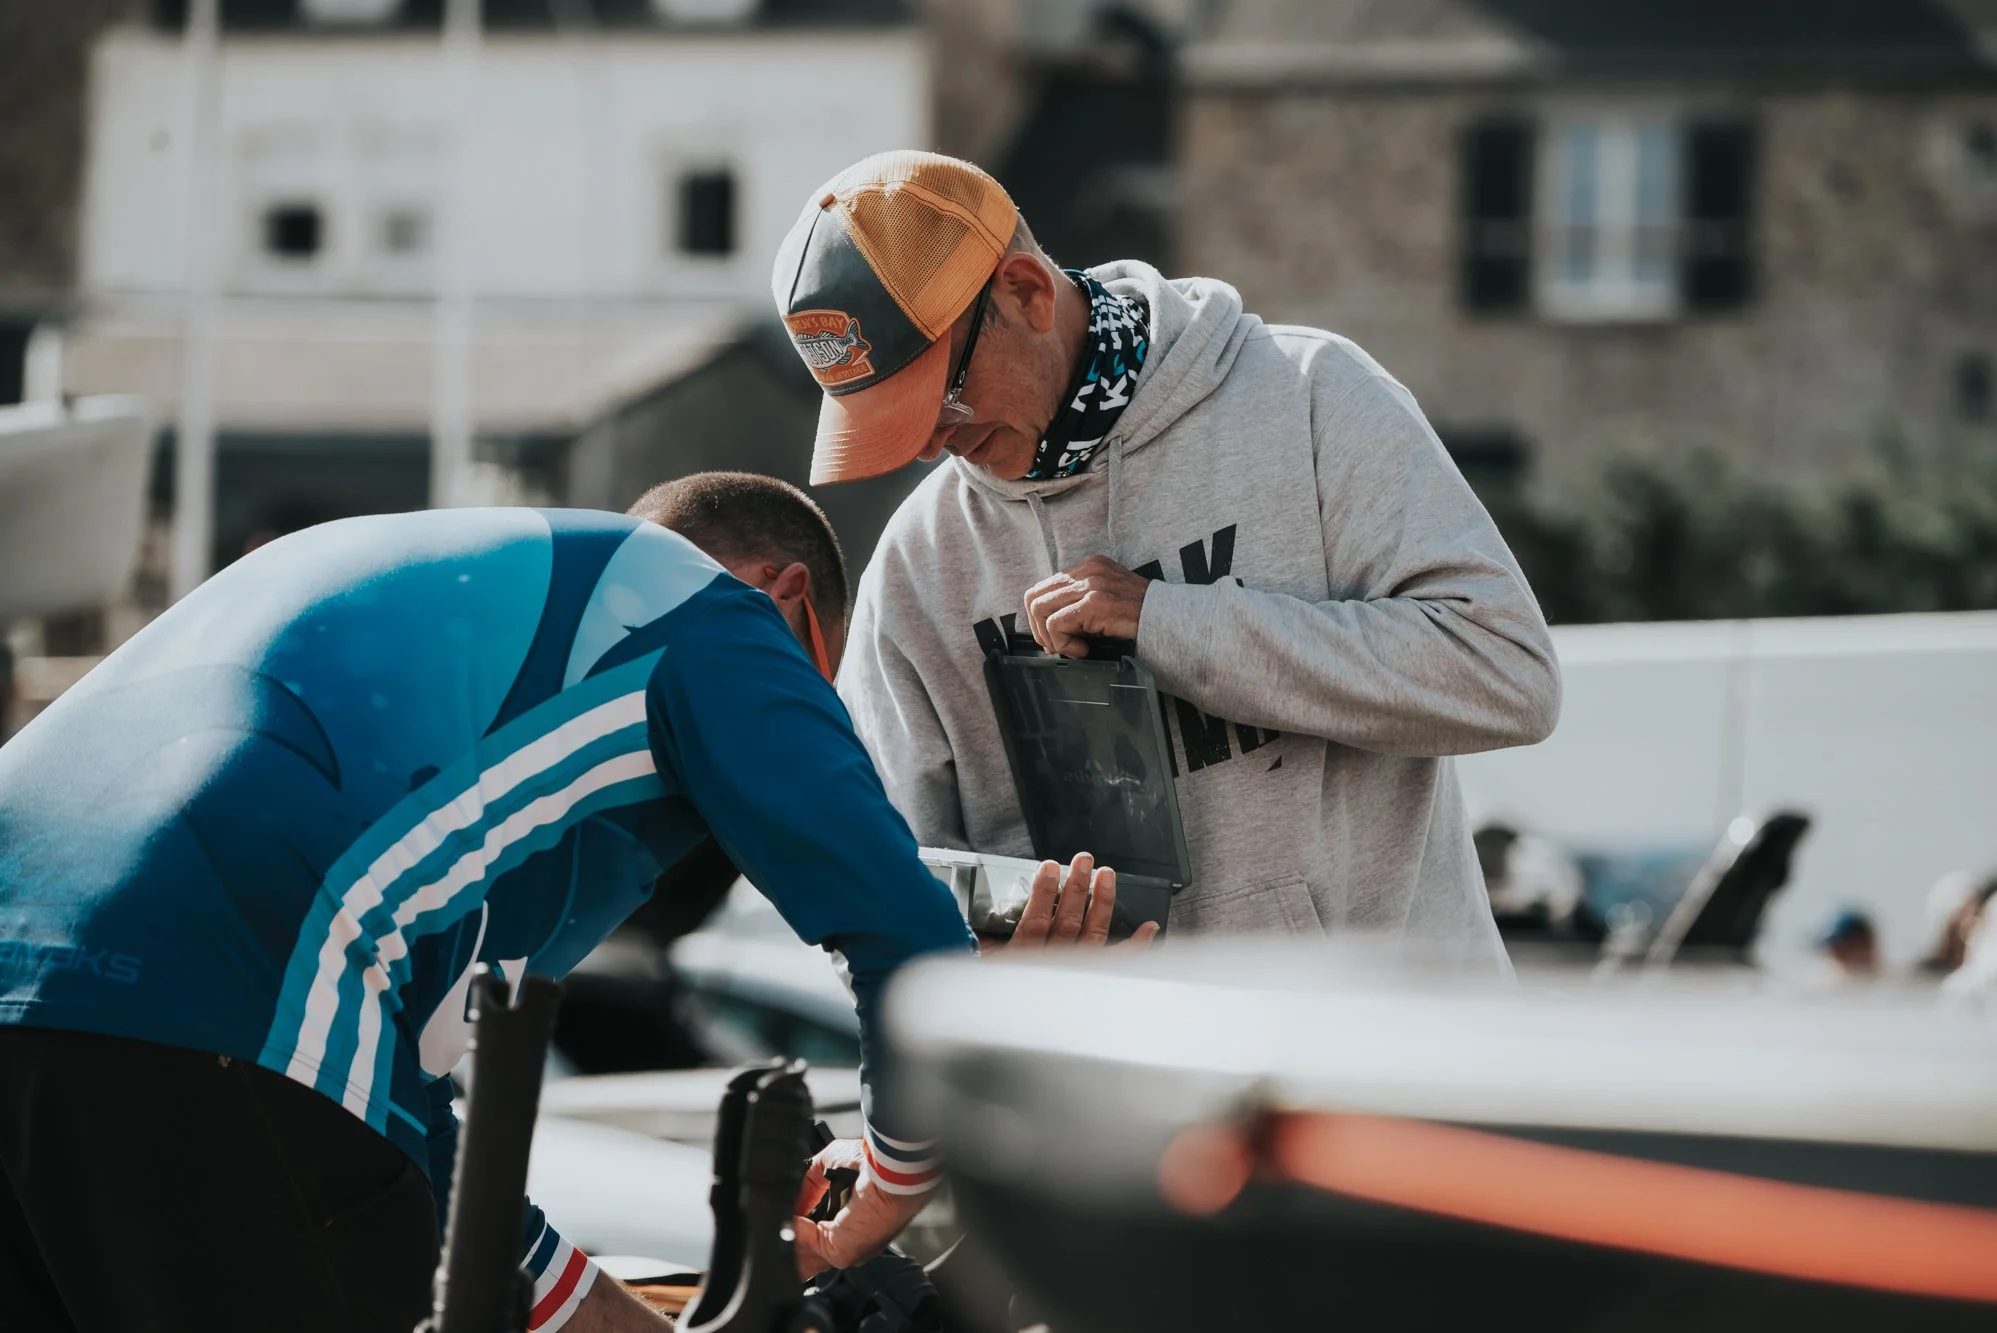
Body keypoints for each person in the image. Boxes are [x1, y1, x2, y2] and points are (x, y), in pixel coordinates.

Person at [0, 484, 1124, 1333]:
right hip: (228, 989)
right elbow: (905, 947)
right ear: (785, 598)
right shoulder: (710, 613)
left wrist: (598, 1307)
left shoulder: (469, 627)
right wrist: (879, 1192)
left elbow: (424, 1136)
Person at [770, 150, 1560, 958]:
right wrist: (989, 966)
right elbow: (873, 894)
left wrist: (1170, 623)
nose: (926, 443)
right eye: (885, 417)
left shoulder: (1308, 395)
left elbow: (1507, 675)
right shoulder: (917, 566)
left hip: (1386, 1031)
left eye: (938, 394)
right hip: (1127, 1045)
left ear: (1025, 292)